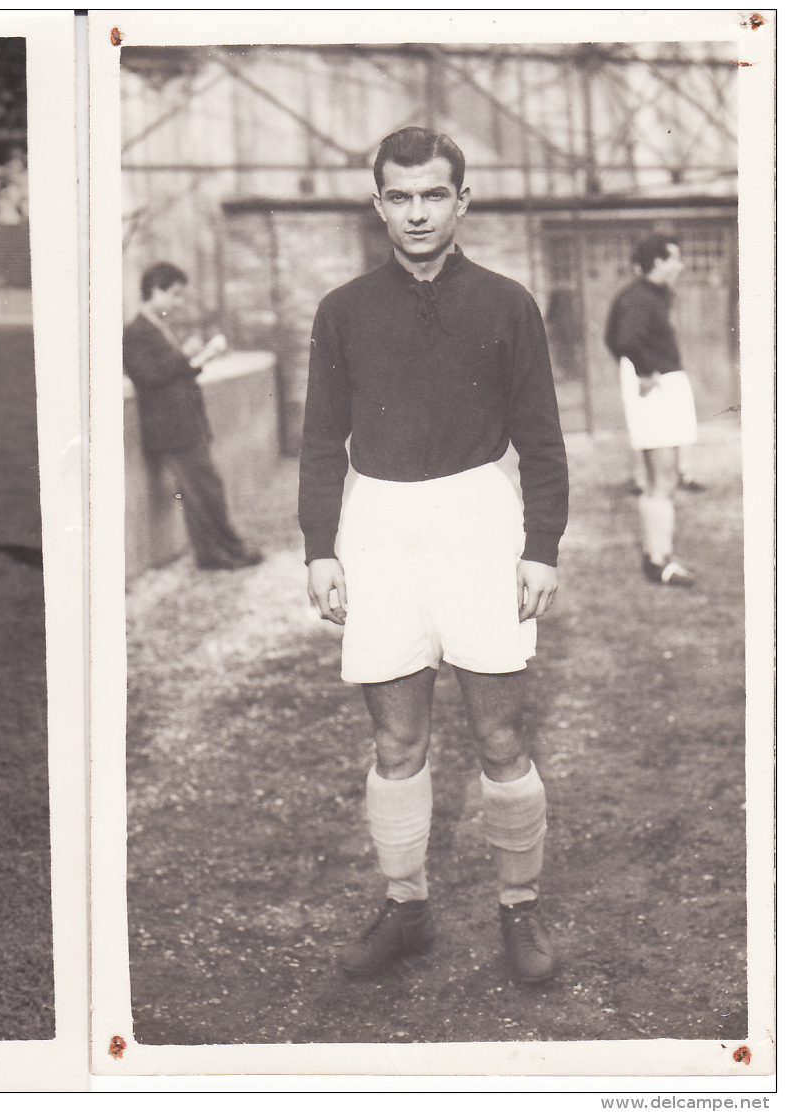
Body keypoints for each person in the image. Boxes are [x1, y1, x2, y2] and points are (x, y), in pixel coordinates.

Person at [299, 128, 569, 984]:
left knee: (498, 733)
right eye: (399, 196)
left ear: (462, 200)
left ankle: (518, 912)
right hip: (377, 521)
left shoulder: (505, 302)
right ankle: (405, 906)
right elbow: (315, 441)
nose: (416, 213)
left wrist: (541, 548)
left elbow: (542, 439)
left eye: (432, 195)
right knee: (395, 741)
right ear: (377, 203)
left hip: (476, 518)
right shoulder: (343, 309)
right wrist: (318, 548)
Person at [123, 262, 263, 571]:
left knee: (199, 492)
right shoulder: (136, 332)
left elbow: (173, 374)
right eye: (174, 295)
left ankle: (213, 555)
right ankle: (230, 550)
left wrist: (201, 358)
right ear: (155, 290)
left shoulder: (157, 327)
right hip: (172, 429)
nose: (178, 303)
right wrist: (185, 355)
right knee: (207, 491)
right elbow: (148, 375)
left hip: (185, 424)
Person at [605, 234, 697, 586]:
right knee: (662, 481)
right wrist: (645, 371)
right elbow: (624, 339)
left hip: (661, 390)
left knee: (661, 480)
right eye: (675, 259)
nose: (680, 265)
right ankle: (659, 561)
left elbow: (613, 337)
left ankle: (656, 555)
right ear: (656, 263)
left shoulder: (647, 296)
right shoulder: (640, 297)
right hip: (656, 392)